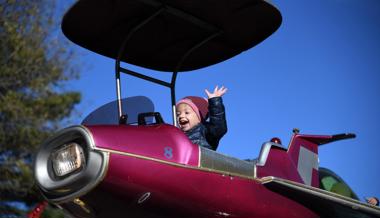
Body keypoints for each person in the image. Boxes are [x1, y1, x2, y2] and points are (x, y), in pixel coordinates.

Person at [176, 86, 227, 150]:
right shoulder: (177, 134)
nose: (181, 116)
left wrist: (215, 101)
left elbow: (218, 128)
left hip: (202, 159)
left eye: (187, 113)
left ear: (200, 117)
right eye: (178, 114)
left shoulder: (204, 130)